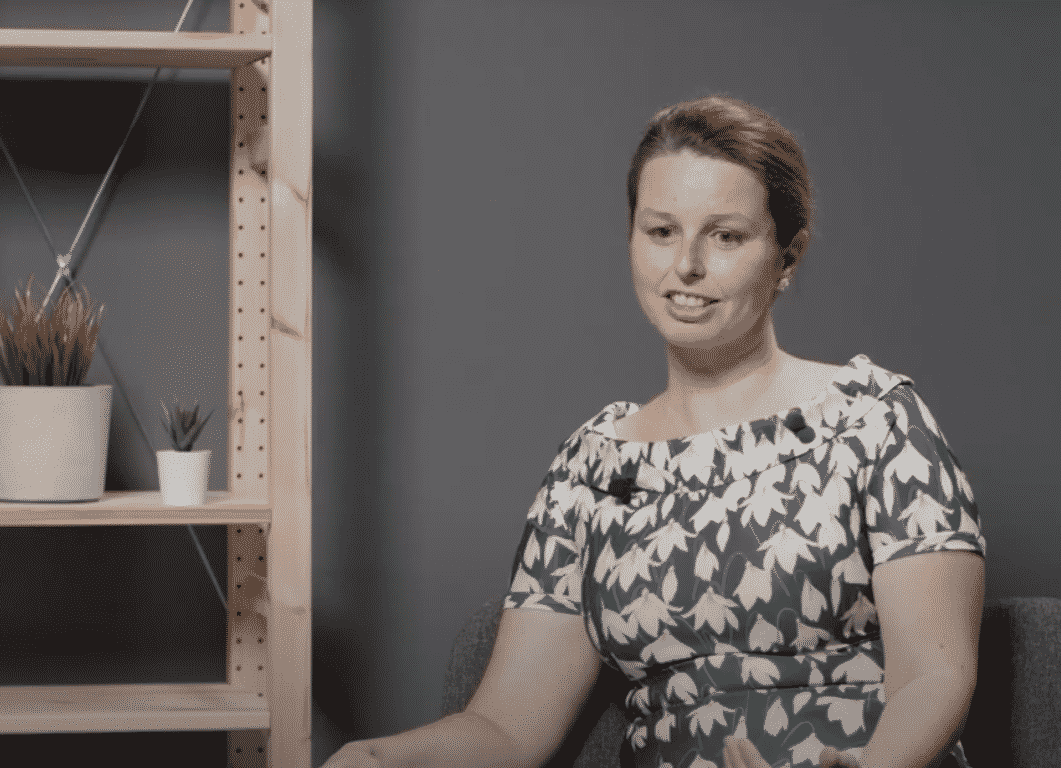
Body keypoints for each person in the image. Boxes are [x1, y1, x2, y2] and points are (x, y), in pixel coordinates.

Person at [319, 95, 986, 768]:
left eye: (726, 237)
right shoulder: (590, 470)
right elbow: (507, 728)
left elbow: (933, 678)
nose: (685, 266)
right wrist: (380, 759)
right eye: (661, 231)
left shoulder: (875, 420)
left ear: (787, 256)